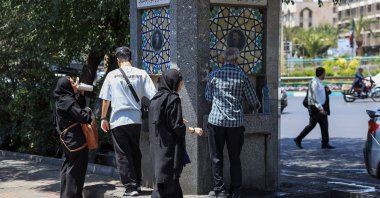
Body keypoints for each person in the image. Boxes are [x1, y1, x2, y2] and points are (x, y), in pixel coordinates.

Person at [99, 46, 157, 196]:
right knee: (135, 151)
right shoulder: (141, 74)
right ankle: (137, 184)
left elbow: (106, 100)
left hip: (118, 120)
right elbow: (153, 96)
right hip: (135, 120)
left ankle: (130, 187)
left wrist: (103, 118)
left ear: (118, 60)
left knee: (123, 154)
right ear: (130, 59)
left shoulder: (112, 75)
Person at [205, 47, 261, 198]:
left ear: (223, 59)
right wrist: (257, 107)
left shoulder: (214, 74)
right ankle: (236, 189)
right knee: (235, 158)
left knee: (216, 157)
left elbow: (208, 98)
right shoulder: (242, 75)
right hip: (235, 124)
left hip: (216, 122)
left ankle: (219, 190)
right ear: (236, 60)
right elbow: (253, 100)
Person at [149, 69, 202, 198]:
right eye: (180, 84)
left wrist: (177, 119)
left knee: (167, 187)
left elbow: (162, 121)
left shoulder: (155, 99)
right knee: (166, 189)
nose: (181, 87)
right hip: (170, 152)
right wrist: (194, 130)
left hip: (157, 150)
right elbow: (177, 127)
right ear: (173, 82)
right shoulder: (173, 99)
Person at [53, 76, 93, 198]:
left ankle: (65, 195)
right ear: (66, 85)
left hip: (68, 139)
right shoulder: (66, 100)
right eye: (72, 83)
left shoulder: (62, 99)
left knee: (68, 167)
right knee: (76, 170)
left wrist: (80, 94)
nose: (75, 84)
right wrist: (88, 112)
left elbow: (77, 107)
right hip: (75, 139)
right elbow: (83, 117)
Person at [294, 67, 335, 150]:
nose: (325, 75)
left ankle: (325, 143)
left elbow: (320, 94)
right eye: (324, 73)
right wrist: (320, 108)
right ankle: (298, 139)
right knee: (311, 125)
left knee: (325, 125)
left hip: (321, 107)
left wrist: (326, 90)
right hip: (315, 107)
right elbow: (313, 97)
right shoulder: (314, 82)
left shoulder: (319, 82)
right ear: (321, 74)